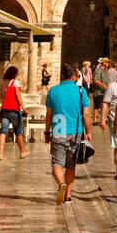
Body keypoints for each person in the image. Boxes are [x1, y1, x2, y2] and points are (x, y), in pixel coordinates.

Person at [44, 65, 91, 204]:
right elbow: (86, 114)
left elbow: (48, 114)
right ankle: (68, 196)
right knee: (71, 165)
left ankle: (61, 184)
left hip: (59, 129)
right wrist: (88, 132)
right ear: (72, 77)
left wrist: (47, 132)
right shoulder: (80, 90)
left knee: (57, 163)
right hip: (76, 132)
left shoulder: (53, 91)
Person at [0, 66, 30, 161]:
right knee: (18, 131)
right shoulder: (15, 82)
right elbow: (18, 96)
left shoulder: (2, 84)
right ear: (14, 74)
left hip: (4, 110)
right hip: (14, 110)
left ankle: (1, 153)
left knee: (3, 131)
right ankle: (22, 151)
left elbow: (3, 97)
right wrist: (23, 108)